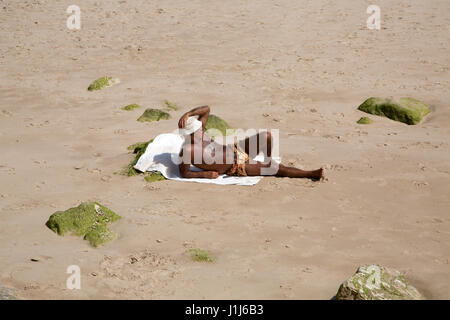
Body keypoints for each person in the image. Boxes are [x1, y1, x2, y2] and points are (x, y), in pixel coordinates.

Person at [178, 105, 324, 180]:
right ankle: (311, 174)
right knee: (276, 169)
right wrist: (205, 175)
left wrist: (189, 113)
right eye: (194, 130)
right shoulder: (187, 151)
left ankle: (267, 160)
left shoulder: (200, 131)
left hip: (236, 149)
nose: (198, 130)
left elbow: (206, 109)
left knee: (266, 136)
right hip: (235, 166)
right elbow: (184, 173)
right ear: (187, 134)